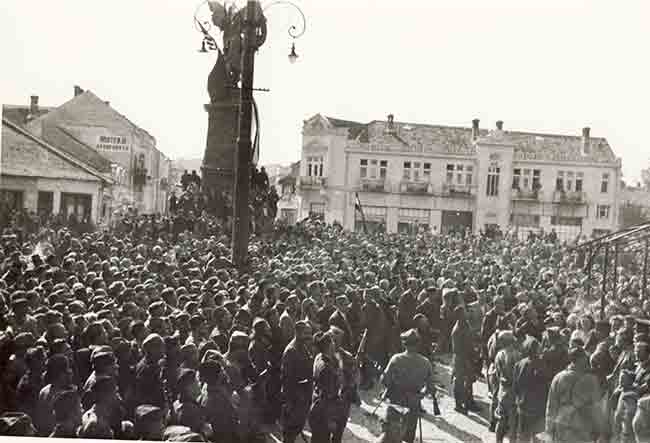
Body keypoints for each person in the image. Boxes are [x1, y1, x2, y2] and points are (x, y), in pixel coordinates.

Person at [381, 328, 435, 443]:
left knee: (390, 436)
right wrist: (420, 395)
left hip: (396, 402)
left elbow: (385, 380)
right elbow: (430, 388)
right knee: (408, 436)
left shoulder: (396, 359)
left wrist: (389, 384)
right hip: (413, 404)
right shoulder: (425, 362)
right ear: (418, 344)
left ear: (404, 343)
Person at [544, 347, 604, 443]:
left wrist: (549, 429)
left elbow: (551, 406)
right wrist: (600, 429)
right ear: (581, 359)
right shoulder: (591, 379)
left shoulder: (558, 377)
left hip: (562, 422)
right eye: (585, 357)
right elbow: (596, 407)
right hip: (583, 424)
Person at [281, 320, 314, 443]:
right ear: (298, 333)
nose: (309, 336)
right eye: (306, 333)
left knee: (297, 427)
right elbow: (287, 379)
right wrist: (289, 402)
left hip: (302, 396)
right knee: (290, 431)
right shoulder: (291, 351)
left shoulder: (302, 346)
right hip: (294, 398)